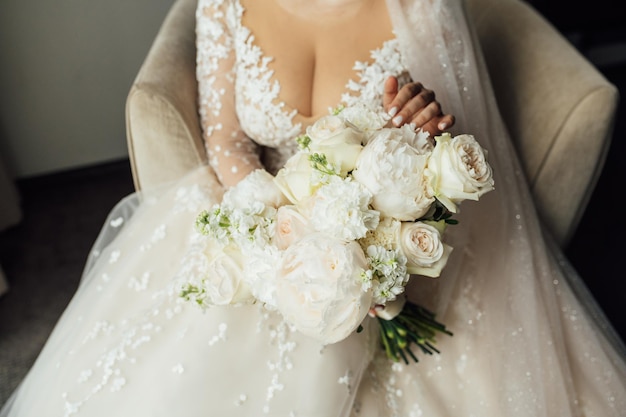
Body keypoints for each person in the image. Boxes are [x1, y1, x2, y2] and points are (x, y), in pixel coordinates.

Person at [2, 0, 626, 415]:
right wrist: (274, 225)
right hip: (261, 218)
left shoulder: (418, 7)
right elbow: (225, 137)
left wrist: (420, 130)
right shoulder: (225, 3)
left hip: (374, 237)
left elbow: (446, 152)